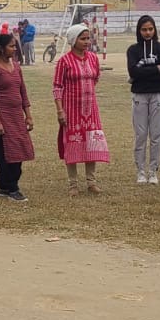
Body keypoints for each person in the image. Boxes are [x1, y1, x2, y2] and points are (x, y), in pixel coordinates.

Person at [53, 24, 108, 194]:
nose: (86, 42)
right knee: (72, 144)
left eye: (88, 38)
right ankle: (73, 184)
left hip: (91, 110)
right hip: (71, 110)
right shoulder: (64, 61)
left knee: (92, 143)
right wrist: (60, 110)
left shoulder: (93, 58)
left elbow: (95, 77)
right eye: (82, 39)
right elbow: (57, 87)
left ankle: (91, 182)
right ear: (72, 40)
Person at [0, 33, 34, 201]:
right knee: (5, 154)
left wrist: (28, 116)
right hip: (2, 118)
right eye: (11, 46)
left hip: (17, 118)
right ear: (0, 48)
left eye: (15, 46)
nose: (14, 49)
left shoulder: (17, 67)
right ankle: (12, 188)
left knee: (19, 152)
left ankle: (5, 185)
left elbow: (23, 92)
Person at [126, 15, 160, 185]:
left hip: (158, 94)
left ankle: (153, 171)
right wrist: (156, 69)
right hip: (139, 95)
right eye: (144, 29)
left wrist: (144, 70)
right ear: (139, 30)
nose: (147, 32)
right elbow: (133, 73)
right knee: (141, 134)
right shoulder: (133, 50)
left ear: (155, 30)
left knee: (157, 134)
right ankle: (140, 171)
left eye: (150, 29)